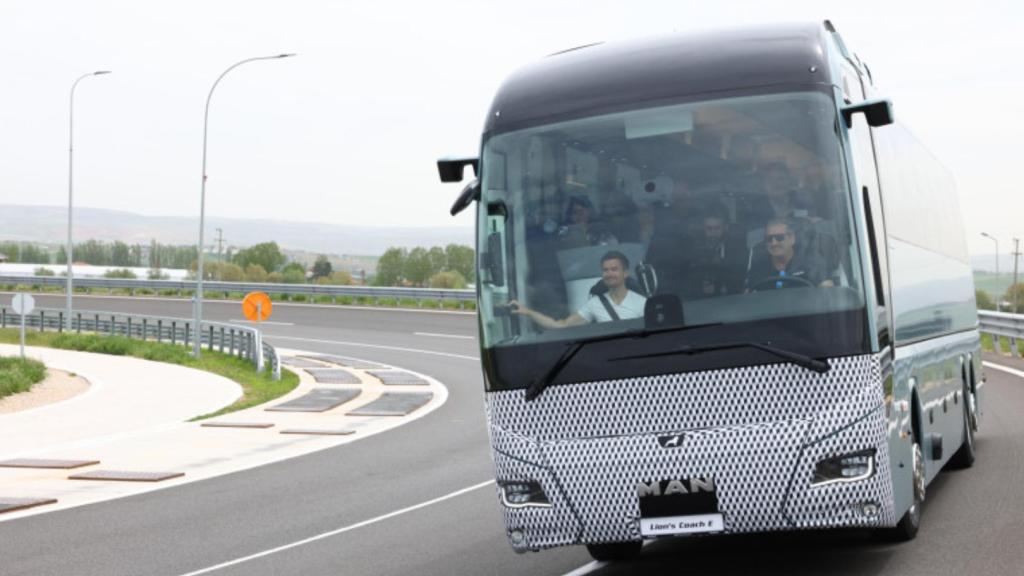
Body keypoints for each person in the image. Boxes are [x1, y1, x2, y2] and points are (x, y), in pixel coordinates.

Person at [510, 250, 646, 328]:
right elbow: (560, 326)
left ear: (626, 273)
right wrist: (527, 311)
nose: (609, 274)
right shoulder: (595, 304)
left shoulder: (643, 303)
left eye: (614, 269)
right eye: (605, 270)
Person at [745, 218, 834, 291]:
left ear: (792, 238)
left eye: (779, 237)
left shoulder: (809, 260)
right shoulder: (759, 265)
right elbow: (748, 293)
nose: (774, 243)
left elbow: (826, 287)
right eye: (769, 238)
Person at [687, 205, 747, 296]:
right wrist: (700, 287)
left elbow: (740, 281)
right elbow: (688, 281)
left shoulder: (737, 250)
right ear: (703, 228)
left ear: (725, 227)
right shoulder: (694, 250)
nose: (713, 233)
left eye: (717, 228)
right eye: (709, 228)